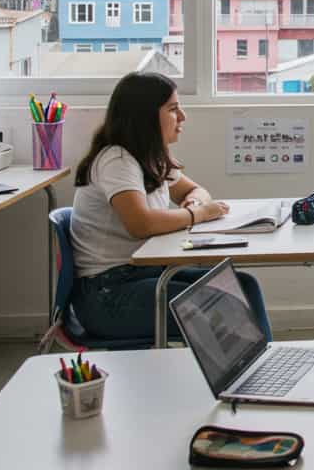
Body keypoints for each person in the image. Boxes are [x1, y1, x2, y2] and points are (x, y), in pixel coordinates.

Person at [69, 72, 271, 341]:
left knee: (243, 286)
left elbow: (195, 190)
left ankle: (262, 366)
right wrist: (196, 214)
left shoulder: (150, 157)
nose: (183, 117)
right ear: (146, 116)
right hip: (107, 294)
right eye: (173, 109)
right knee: (218, 310)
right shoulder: (117, 160)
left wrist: (195, 202)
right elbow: (141, 224)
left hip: (146, 274)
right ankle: (248, 373)